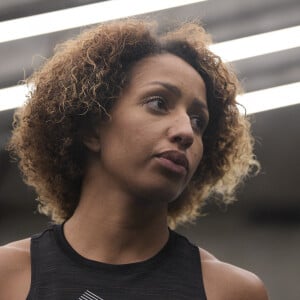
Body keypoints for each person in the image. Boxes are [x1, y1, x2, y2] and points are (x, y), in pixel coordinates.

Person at [0, 19, 269, 299]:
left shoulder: (232, 292)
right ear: (92, 128)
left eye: (198, 121)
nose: (186, 132)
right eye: (158, 103)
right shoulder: (7, 277)